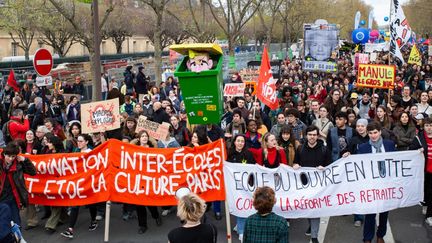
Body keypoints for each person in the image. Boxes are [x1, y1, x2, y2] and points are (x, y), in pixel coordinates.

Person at [358, 122, 396, 243]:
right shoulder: (363, 148)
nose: (373, 135)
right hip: (371, 185)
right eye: (370, 133)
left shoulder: (389, 145)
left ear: (380, 132)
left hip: (386, 184)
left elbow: (397, 160)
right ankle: (367, 238)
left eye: (375, 132)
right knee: (370, 214)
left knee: (384, 213)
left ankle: (380, 235)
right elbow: (358, 165)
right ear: (367, 134)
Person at [293, 125, 331, 243]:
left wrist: (324, 168)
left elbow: (330, 167)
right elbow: (295, 162)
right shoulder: (300, 149)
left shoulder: (325, 149)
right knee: (308, 209)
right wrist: (295, 166)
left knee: (315, 210)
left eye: (314, 135)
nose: (312, 137)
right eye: (310, 135)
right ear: (306, 136)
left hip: (319, 186)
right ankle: (311, 224)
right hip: (304, 185)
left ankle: (314, 236)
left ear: (318, 135)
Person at [61, 134, 98, 239]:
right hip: (78, 183)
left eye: (81, 141)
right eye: (78, 141)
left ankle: (94, 220)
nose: (79, 143)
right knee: (75, 205)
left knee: (91, 204)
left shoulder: (92, 152)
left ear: (86, 142)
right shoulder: (76, 152)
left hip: (89, 182)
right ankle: (70, 230)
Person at [227, 134, 256, 241]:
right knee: (235, 206)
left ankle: (241, 231)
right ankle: (239, 226)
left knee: (242, 207)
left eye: (242, 141)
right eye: (238, 141)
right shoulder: (229, 154)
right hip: (232, 186)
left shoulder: (248, 154)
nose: (240, 143)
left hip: (245, 187)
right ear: (234, 142)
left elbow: (253, 169)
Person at [0, 143, 36, 226]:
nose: (11, 159)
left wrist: (25, 160)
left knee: (16, 222)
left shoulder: (19, 163)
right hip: (1, 197)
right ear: (4, 154)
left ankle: (18, 238)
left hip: (13, 197)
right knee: (4, 221)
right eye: (8, 156)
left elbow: (33, 172)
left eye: (13, 156)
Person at [135, 131, 162, 234]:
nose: (144, 138)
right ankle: (142, 225)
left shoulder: (152, 150)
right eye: (142, 136)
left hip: (149, 179)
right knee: (139, 204)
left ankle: (156, 216)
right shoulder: (133, 150)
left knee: (150, 202)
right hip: (137, 180)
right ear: (139, 139)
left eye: (146, 136)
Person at [409, 117, 432, 225]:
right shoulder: (419, 137)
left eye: (431, 125)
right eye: (427, 125)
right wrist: (418, 150)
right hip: (424, 169)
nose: (429, 128)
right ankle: (425, 204)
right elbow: (411, 150)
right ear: (423, 127)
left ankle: (429, 215)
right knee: (426, 190)